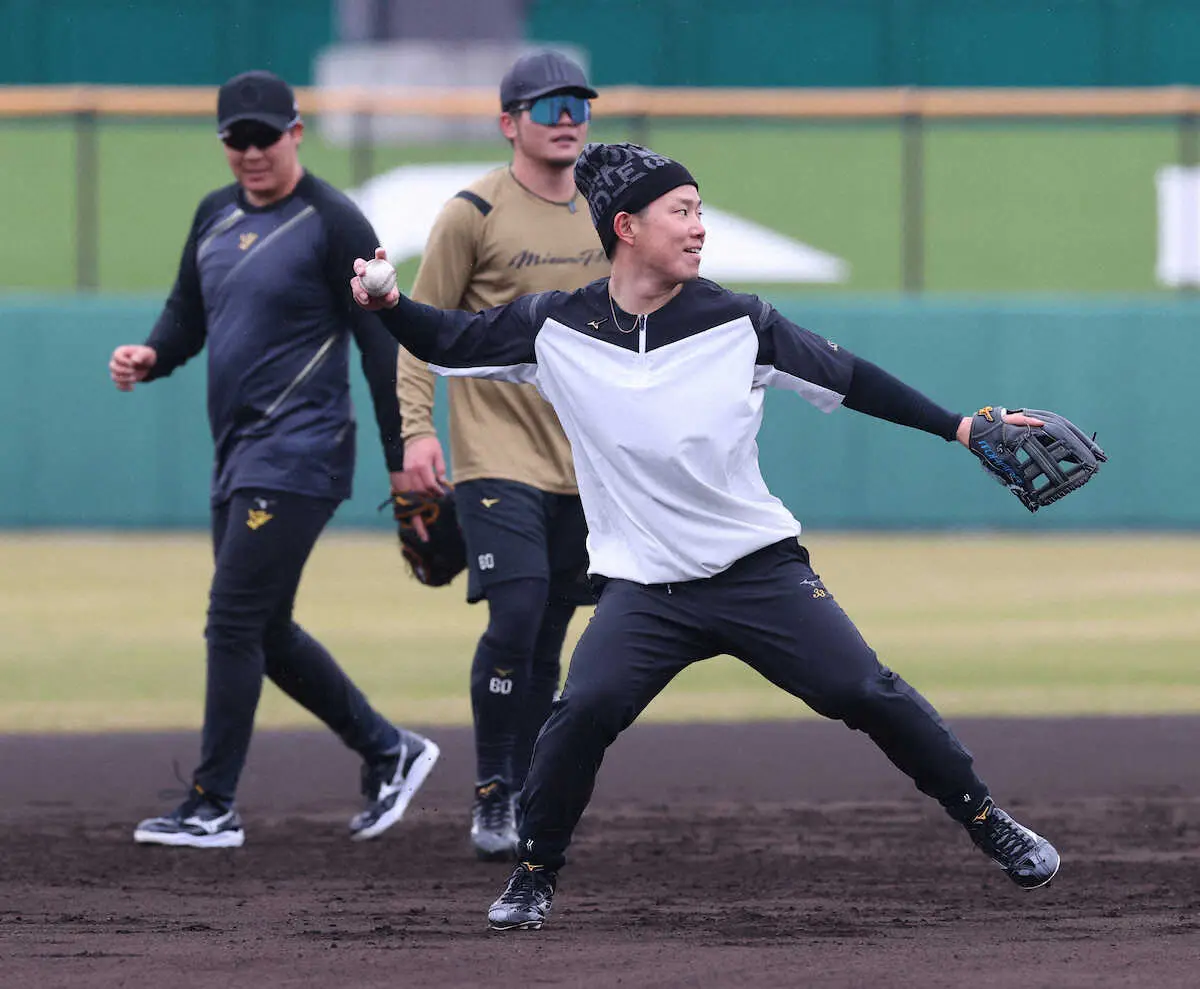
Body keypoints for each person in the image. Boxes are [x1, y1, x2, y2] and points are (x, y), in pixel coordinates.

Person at [350, 142, 1061, 929]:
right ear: (626, 225)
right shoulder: (553, 325)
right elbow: (447, 339)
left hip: (756, 570)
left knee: (865, 689)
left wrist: (960, 427)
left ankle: (990, 821)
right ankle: (533, 871)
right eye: (681, 212)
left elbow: (851, 376)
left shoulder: (738, 320)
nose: (698, 228)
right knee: (581, 709)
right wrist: (386, 306)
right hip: (644, 587)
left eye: (699, 211)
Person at [109, 70, 439, 849]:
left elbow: (377, 339)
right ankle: (391, 749)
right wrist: (151, 354)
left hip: (303, 449)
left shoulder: (334, 222)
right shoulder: (213, 215)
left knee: (231, 619)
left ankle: (210, 803)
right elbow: (189, 312)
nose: (252, 151)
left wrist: (402, 456)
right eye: (237, 139)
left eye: (266, 136)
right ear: (223, 143)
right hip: (241, 452)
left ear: (296, 133)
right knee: (266, 627)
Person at [393, 51, 606, 861]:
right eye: (547, 104)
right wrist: (417, 429)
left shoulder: (610, 208)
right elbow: (416, 325)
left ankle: (526, 789)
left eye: (577, 104)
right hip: (495, 454)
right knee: (514, 614)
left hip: (585, 463)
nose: (566, 118)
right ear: (509, 120)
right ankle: (492, 792)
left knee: (550, 632)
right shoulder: (472, 211)